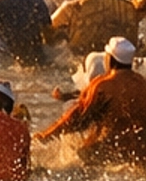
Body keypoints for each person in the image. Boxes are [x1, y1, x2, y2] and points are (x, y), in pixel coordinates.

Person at [39, 36, 146, 167]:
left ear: (110, 59)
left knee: (83, 154)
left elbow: (76, 119)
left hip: (107, 153)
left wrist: (45, 136)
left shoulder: (103, 86)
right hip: (139, 156)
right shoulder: (142, 84)